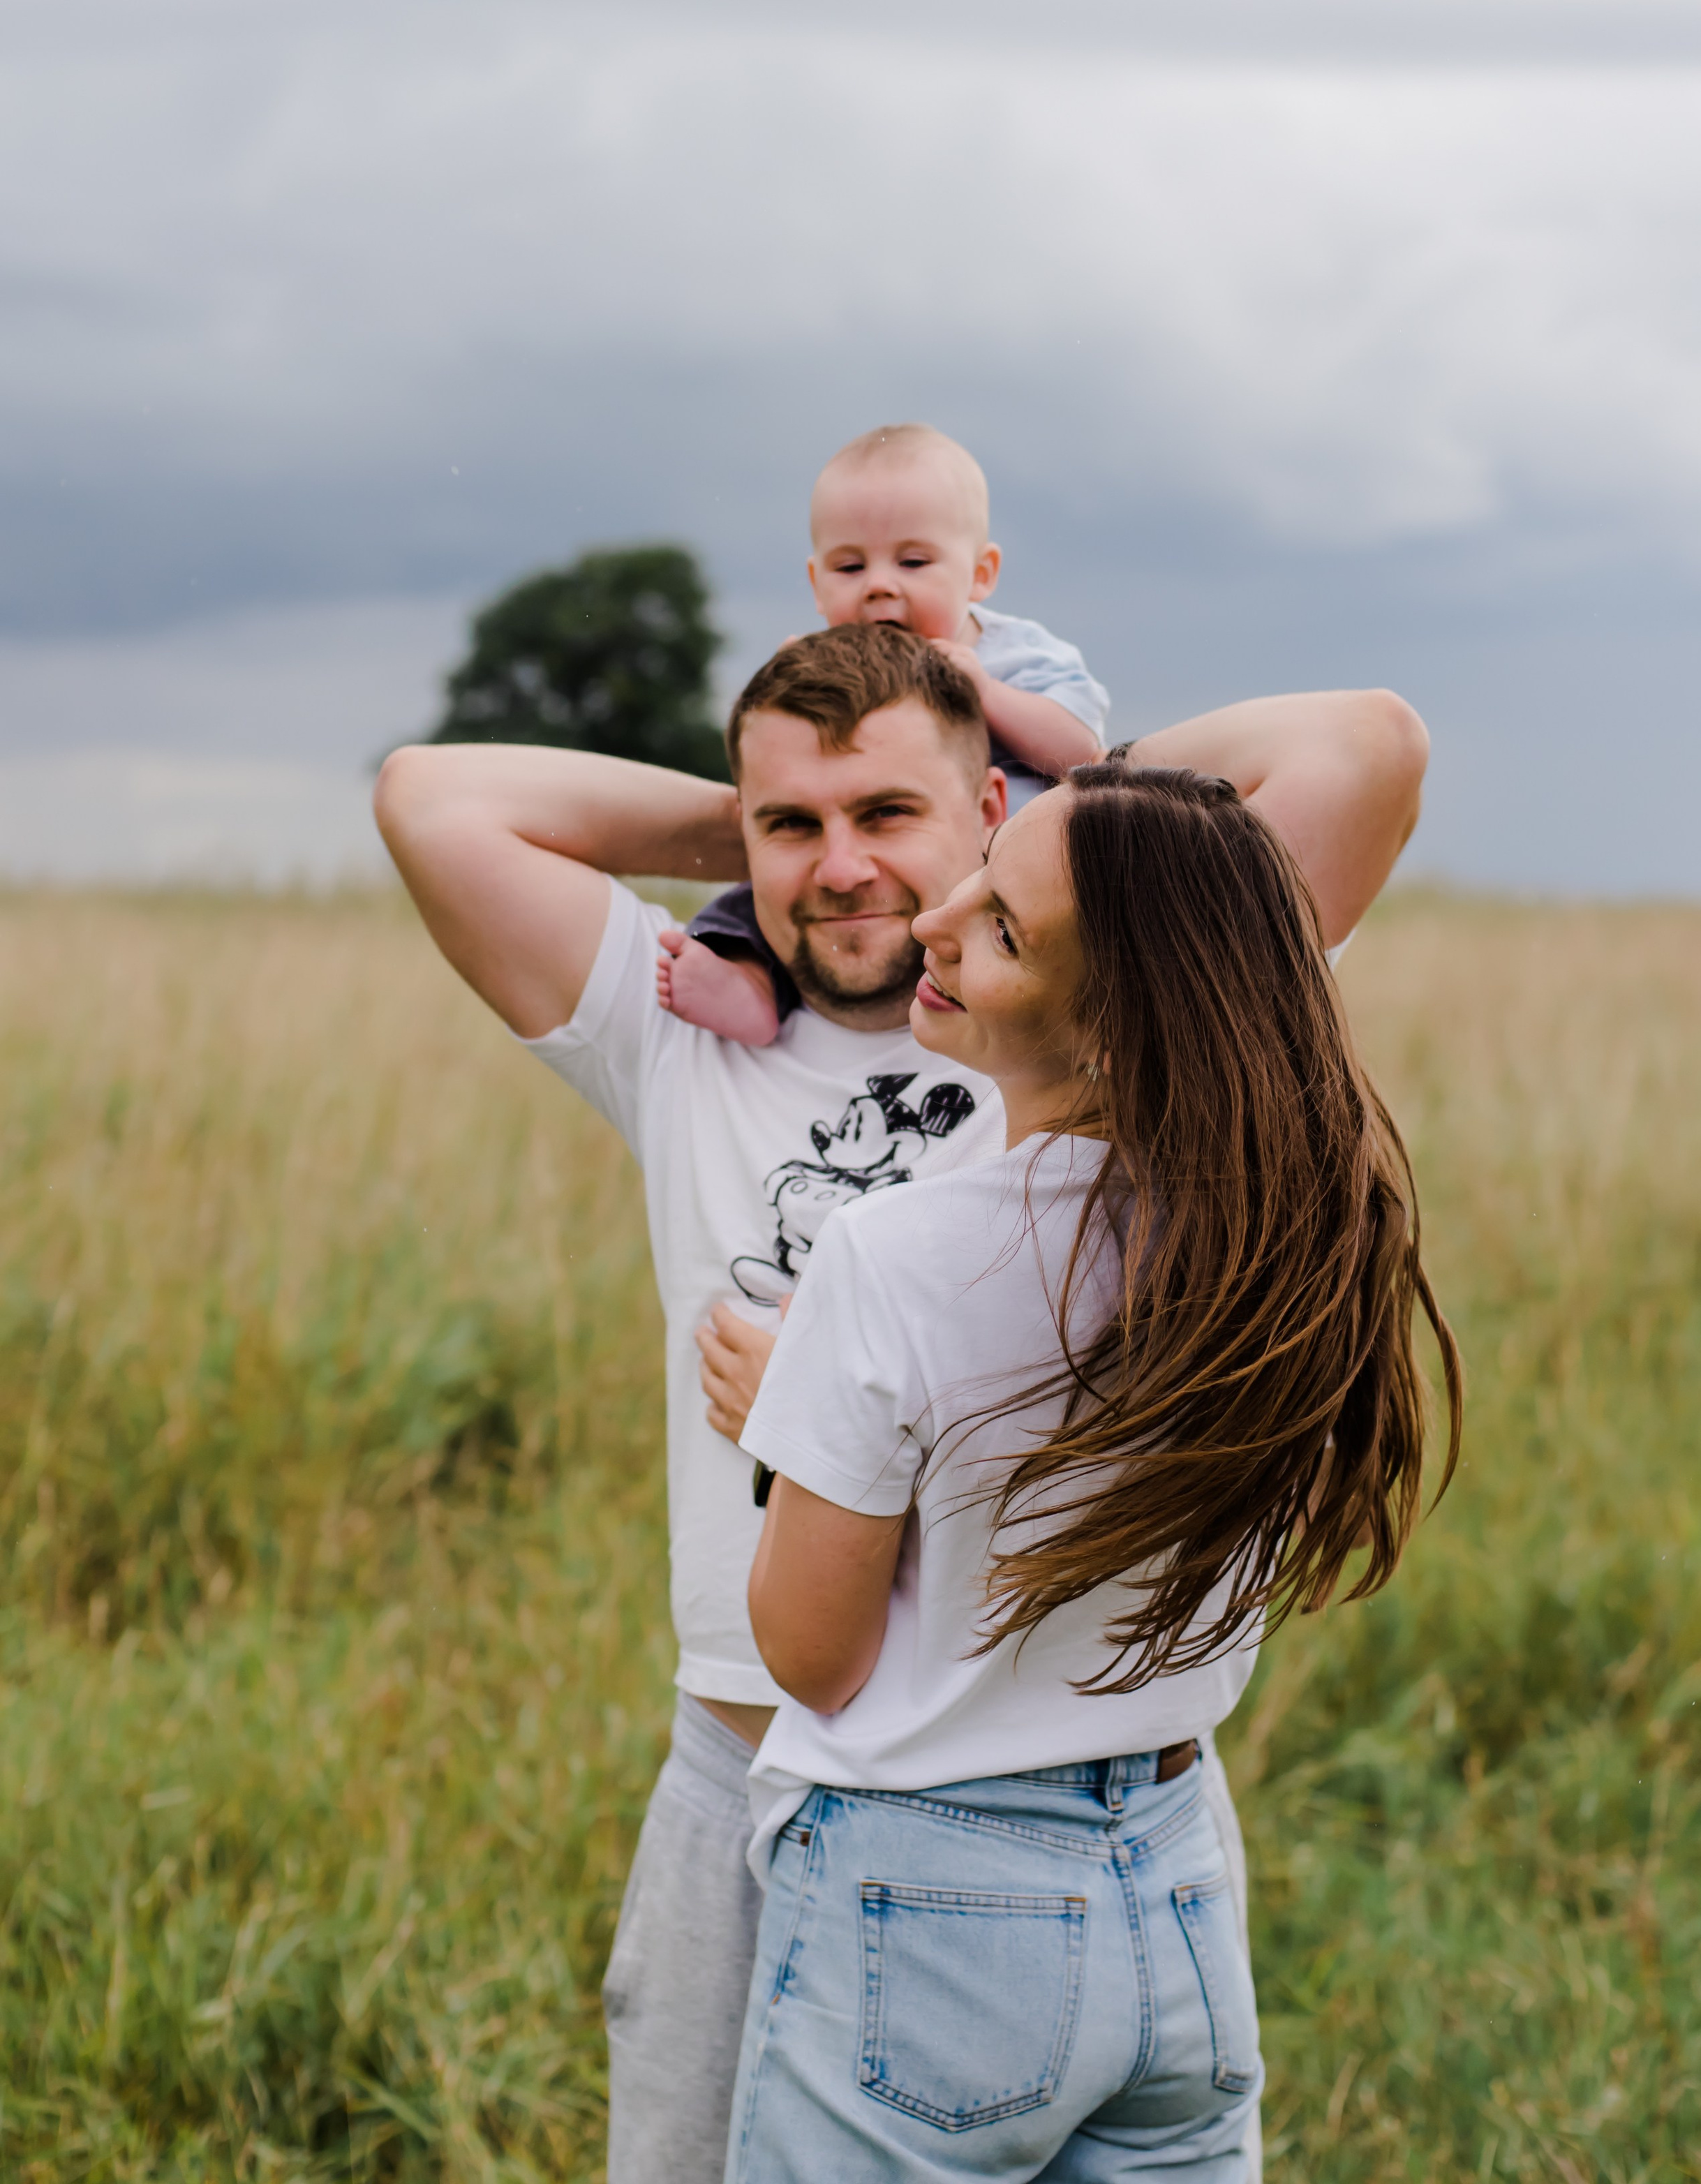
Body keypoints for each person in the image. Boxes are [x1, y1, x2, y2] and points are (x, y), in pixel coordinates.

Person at [372, 623, 1429, 2184]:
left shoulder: (1137, 1010)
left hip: (984, 1774)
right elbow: (429, 797)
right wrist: (771, 828)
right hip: (759, 1753)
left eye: (891, 817)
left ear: (993, 823)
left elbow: (1365, 746)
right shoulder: (681, 1029)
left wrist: (1033, 787)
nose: (845, 869)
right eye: (787, 824)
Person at [729, 760, 1462, 2178]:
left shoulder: (896, 1253)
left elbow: (808, 1655)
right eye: (980, 867)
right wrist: (1117, 826)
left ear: (1117, 1031)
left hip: (926, 1905)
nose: (936, 920)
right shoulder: (1292, 1236)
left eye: (1000, 925)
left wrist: (788, 1436)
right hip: (1174, 1880)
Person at [659, 421, 1109, 1046]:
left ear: (980, 574)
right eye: (850, 566)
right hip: (906, 862)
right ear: (816, 586)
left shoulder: (1016, 653)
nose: (878, 583)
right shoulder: (833, 660)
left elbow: (1082, 751)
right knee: (765, 891)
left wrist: (989, 694)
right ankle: (754, 982)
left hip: (1010, 843)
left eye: (914, 561)